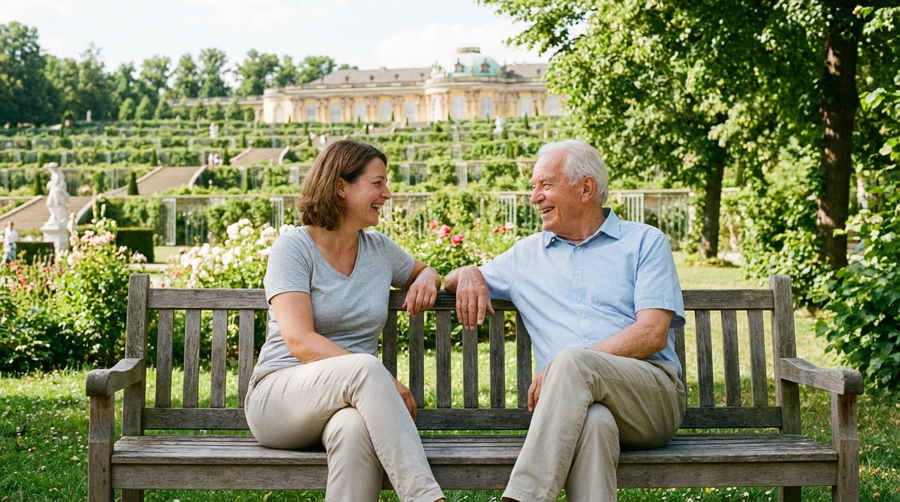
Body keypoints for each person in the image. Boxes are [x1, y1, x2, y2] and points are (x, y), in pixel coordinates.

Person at [445, 140, 686, 502]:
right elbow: (451, 279)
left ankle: (522, 498)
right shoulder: (526, 256)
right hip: (575, 408)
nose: (535, 197)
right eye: (534, 187)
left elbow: (652, 333)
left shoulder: (645, 242)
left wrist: (568, 367)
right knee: (595, 423)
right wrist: (467, 272)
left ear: (586, 188)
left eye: (546, 185)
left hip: (651, 396)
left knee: (571, 362)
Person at [244, 139, 446, 502]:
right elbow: (299, 341)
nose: (387, 194)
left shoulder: (379, 250)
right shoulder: (294, 249)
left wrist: (428, 279)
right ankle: (425, 498)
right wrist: (381, 380)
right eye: (377, 183)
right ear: (341, 187)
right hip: (279, 400)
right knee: (366, 367)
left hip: (347, 406)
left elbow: (424, 270)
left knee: (354, 432)